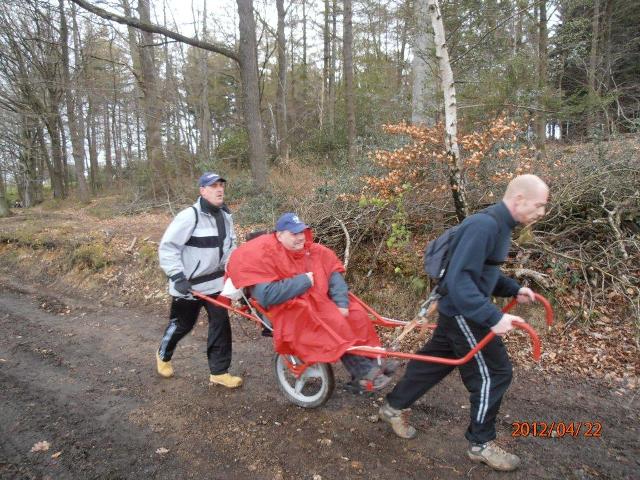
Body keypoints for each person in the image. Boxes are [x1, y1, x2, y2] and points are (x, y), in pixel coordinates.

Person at [378, 174, 549, 472]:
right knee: (495, 373)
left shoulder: (499, 226)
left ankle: (392, 407)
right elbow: (459, 280)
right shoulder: (484, 226)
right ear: (519, 199)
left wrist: (513, 289)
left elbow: (482, 273)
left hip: (459, 311)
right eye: (539, 205)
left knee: (434, 362)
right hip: (465, 314)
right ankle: (480, 444)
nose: (541, 212)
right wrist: (494, 316)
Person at [226, 212, 394, 391]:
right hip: (289, 310)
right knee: (332, 324)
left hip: (319, 303)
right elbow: (267, 294)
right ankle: (364, 372)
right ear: (279, 235)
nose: (300, 238)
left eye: (301, 232)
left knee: (357, 315)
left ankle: (374, 363)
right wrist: (304, 281)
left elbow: (334, 277)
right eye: (294, 234)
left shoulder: (314, 252)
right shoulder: (265, 258)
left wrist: (341, 303)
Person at [155, 172, 242, 388]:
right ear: (202, 191)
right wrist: (176, 275)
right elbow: (168, 247)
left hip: (215, 283)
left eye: (221, 184)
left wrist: (237, 270)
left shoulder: (225, 216)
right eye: (213, 186)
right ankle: (163, 354)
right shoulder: (189, 216)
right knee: (182, 325)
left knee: (220, 323)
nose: (219, 189)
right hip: (189, 286)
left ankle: (219, 372)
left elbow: (230, 247)